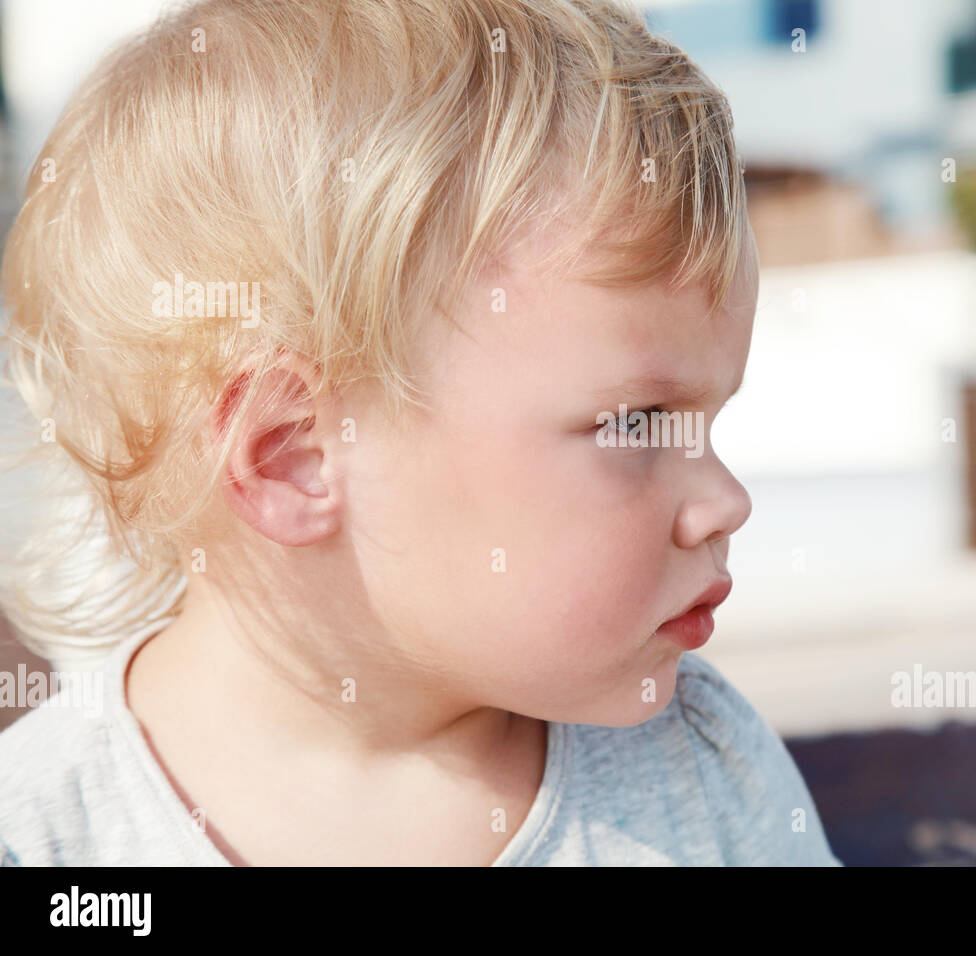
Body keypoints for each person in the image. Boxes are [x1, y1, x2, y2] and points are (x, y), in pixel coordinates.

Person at [0, 0, 841, 866]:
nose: (725, 503)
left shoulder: (699, 767)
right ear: (293, 456)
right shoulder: (44, 836)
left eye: (710, 419)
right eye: (636, 424)